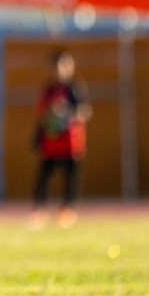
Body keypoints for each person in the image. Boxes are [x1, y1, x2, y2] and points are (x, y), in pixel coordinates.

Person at [32, 49, 91, 228]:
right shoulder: (49, 89)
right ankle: (40, 210)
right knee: (44, 176)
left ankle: (68, 209)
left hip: (70, 142)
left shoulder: (75, 88)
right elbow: (41, 112)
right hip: (51, 143)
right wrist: (51, 117)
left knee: (71, 177)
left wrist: (67, 115)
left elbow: (85, 111)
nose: (60, 71)